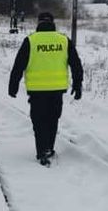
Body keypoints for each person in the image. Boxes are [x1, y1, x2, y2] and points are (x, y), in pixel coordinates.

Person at [7, 11, 83, 166]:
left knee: (39, 120)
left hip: (37, 90)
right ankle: (49, 147)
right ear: (53, 23)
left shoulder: (31, 41)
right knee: (52, 119)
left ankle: (42, 150)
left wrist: (13, 85)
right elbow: (76, 65)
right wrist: (77, 84)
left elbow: (18, 65)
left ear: (38, 23)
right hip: (57, 89)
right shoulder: (64, 40)